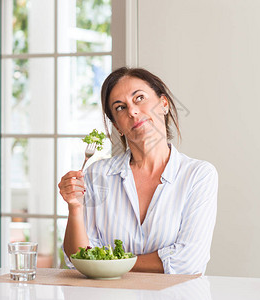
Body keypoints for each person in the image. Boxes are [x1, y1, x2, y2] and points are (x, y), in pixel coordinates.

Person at [58, 67, 218, 274]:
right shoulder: (96, 175)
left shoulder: (198, 175)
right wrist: (75, 207)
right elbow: (79, 258)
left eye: (139, 98)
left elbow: (188, 261)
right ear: (118, 127)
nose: (132, 111)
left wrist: (110, 263)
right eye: (120, 108)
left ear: (163, 104)